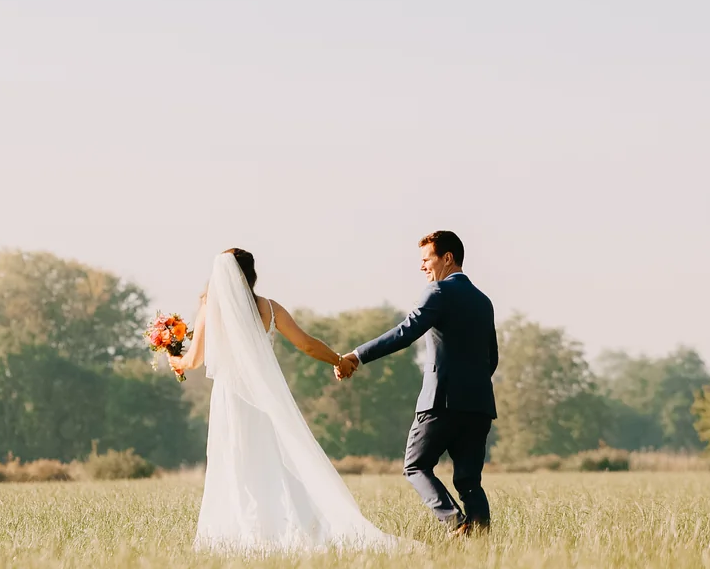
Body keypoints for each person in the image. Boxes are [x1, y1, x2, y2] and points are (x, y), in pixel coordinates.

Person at [169, 249, 401, 552]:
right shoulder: (269, 308)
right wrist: (338, 360)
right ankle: (289, 526)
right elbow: (306, 344)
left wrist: (175, 360)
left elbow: (194, 360)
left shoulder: (211, 310)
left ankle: (251, 534)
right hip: (264, 398)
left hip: (231, 401)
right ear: (251, 275)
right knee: (274, 460)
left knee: (237, 463)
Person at [335, 231, 498, 534]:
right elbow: (493, 358)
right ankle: (480, 540)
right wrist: (471, 386)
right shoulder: (483, 301)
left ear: (447, 258)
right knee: (469, 481)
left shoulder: (438, 292)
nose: (422, 266)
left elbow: (405, 332)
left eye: (426, 259)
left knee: (415, 465)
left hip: (441, 402)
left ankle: (456, 523)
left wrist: (357, 355)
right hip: (479, 405)